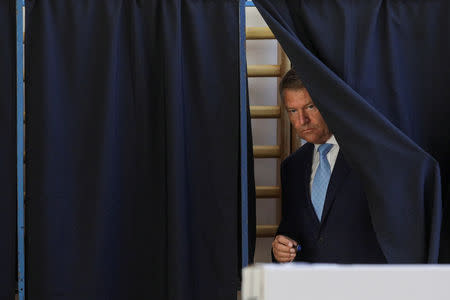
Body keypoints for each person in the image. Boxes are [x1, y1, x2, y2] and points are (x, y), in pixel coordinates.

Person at [272, 69, 386, 263]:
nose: (302, 120)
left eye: (310, 107)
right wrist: (279, 251)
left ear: (328, 103)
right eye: (293, 110)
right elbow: (290, 233)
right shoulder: (291, 167)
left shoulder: (372, 158)